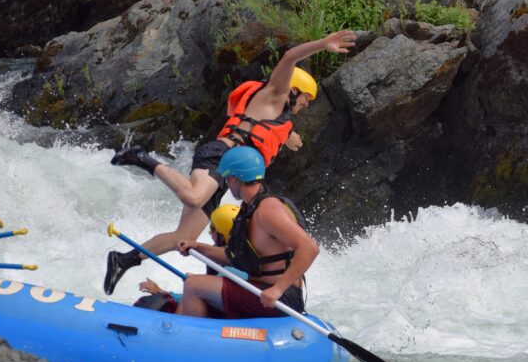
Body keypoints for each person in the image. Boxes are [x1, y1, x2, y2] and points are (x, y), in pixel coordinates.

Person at [103, 30, 355, 295]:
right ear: (294, 89)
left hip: (226, 173)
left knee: (182, 238)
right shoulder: (275, 93)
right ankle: (140, 156)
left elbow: (264, 131)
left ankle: (124, 259)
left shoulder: (278, 114)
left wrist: (288, 136)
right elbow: (290, 57)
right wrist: (324, 45)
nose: (306, 105)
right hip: (219, 154)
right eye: (306, 99)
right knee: (193, 197)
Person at [174, 146, 318, 318]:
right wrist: (197, 247)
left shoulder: (268, 209)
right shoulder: (250, 208)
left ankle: (187, 340)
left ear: (235, 179)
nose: (227, 183)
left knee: (193, 285)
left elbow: (310, 248)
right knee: (197, 285)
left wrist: (278, 289)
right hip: (260, 289)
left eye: (227, 179)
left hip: (280, 298)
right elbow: (237, 256)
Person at [133, 204, 244, 313]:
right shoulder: (239, 252)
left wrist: (162, 292)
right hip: (222, 304)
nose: (209, 233)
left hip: (227, 313)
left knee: (152, 303)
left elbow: (206, 295)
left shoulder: (235, 267)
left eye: (212, 229)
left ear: (222, 234)